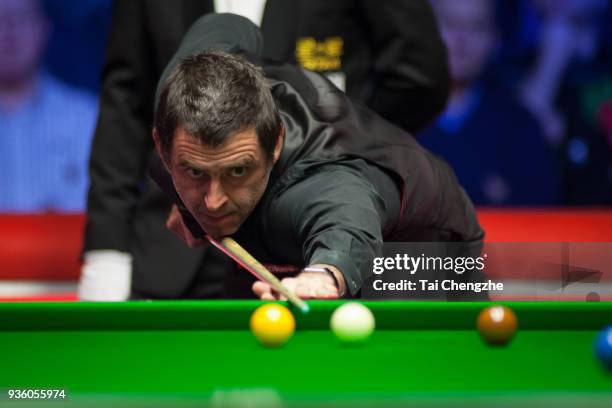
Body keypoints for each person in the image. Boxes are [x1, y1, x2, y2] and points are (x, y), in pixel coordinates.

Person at [79, 0, 451, 300]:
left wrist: (334, 151)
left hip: (300, 251)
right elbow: (125, 106)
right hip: (175, 250)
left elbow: (419, 77)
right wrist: (106, 253)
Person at [419, 0, 560, 205]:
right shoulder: (389, 119)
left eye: (476, 27)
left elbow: (544, 216)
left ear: (494, 39)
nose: (461, 39)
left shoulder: (520, 126)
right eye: (449, 23)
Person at [0, 0, 97, 212]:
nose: (10, 31)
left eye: (21, 18)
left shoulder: (85, 117)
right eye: (1, 19)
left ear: (43, 28)